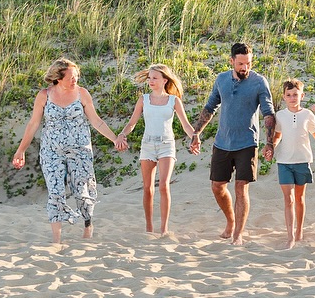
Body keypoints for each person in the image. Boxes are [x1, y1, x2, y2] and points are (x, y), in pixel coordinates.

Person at [11, 58, 127, 244]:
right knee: (55, 191)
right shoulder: (44, 95)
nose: (75, 80)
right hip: (51, 151)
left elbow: (97, 121)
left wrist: (115, 139)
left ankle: (88, 224)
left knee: (82, 190)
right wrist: (21, 150)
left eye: (76, 76)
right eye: (71, 77)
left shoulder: (82, 94)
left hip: (79, 150)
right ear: (58, 78)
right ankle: (56, 239)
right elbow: (33, 124)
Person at [189, 42, 276, 246]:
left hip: (247, 142)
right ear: (232, 61)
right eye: (240, 63)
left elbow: (268, 114)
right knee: (217, 186)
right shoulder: (221, 79)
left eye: (248, 63)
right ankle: (230, 221)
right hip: (223, 142)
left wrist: (269, 142)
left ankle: (238, 234)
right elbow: (210, 107)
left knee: (240, 187)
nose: (245, 67)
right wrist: (196, 133)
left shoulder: (259, 82)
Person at [118, 64, 198, 236]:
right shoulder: (144, 99)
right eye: (150, 78)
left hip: (166, 145)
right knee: (147, 187)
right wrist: (121, 134)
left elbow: (185, 124)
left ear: (164, 80)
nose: (151, 81)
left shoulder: (173, 100)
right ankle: (149, 228)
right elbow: (132, 123)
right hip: (147, 145)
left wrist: (195, 137)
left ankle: (164, 229)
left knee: (163, 185)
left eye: (155, 78)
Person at [273, 79, 315, 249]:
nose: (292, 98)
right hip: (284, 161)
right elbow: (277, 136)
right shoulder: (280, 115)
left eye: (295, 95)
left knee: (299, 198)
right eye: (289, 95)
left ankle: (299, 230)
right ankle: (290, 236)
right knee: (288, 199)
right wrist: (271, 147)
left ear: (302, 96)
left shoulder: (307, 114)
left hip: (302, 160)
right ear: (284, 97)